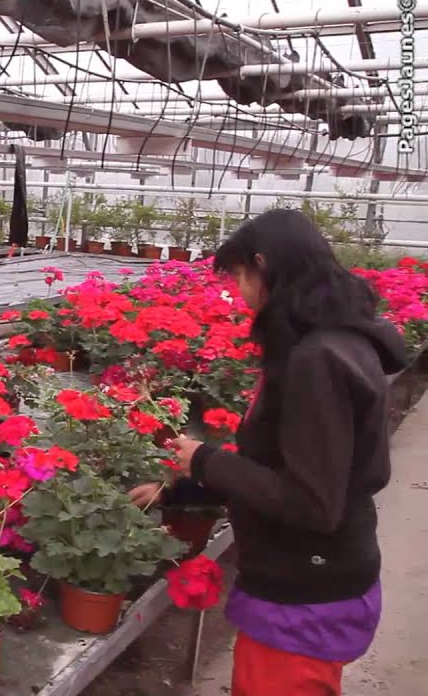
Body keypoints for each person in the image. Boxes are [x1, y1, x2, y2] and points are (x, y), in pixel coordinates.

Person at [129, 208, 407, 695]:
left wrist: (206, 459)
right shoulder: (339, 342)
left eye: (240, 275)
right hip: (323, 578)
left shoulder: (316, 361)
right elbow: (289, 466)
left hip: (304, 600)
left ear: (263, 264)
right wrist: (184, 490)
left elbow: (311, 501)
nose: (241, 292)